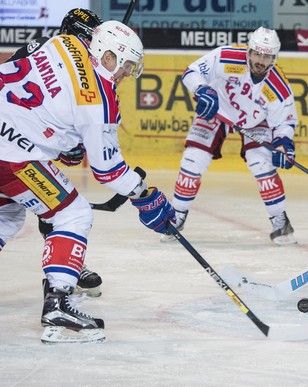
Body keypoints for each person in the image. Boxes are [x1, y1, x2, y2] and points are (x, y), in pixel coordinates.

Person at [0, 20, 176, 343]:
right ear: (108, 56)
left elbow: (40, 91)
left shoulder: (63, 42)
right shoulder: (100, 100)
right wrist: (144, 195)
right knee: (73, 213)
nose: (125, 75)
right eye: (125, 66)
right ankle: (58, 304)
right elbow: (108, 169)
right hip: (11, 154)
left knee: (6, 214)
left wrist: (67, 140)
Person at [163, 26, 299, 245]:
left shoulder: (278, 86)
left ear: (275, 57)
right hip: (217, 111)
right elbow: (192, 72)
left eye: (267, 56)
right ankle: (176, 217)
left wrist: (283, 143)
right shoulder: (227, 57)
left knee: (261, 164)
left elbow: (286, 121)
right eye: (257, 53)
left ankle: (280, 221)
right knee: (192, 160)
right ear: (249, 50)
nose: (261, 60)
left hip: (255, 123)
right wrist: (202, 90)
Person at [7, 7, 105, 297]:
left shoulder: (69, 61)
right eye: (88, 37)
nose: (92, 45)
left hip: (20, 147)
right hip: (12, 146)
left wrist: (70, 146)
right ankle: (62, 275)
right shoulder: (47, 54)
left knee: (31, 210)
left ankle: (66, 268)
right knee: (63, 211)